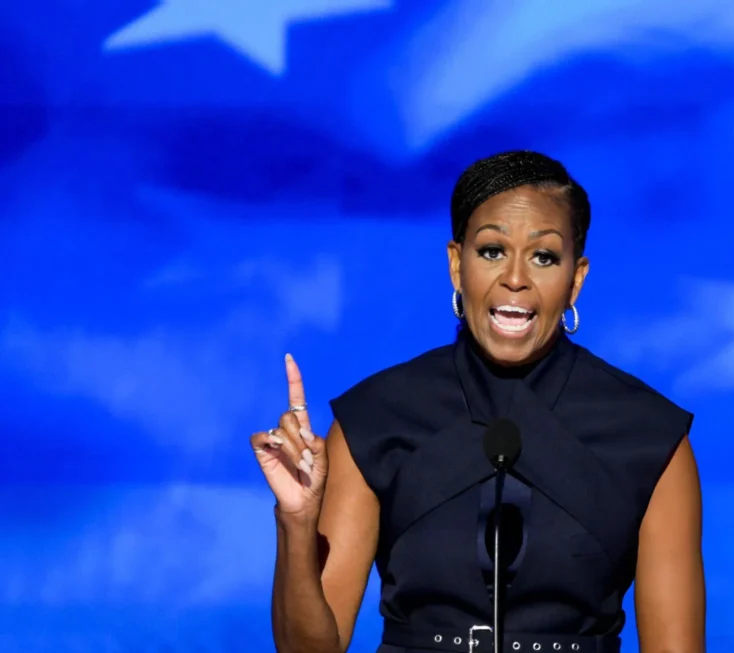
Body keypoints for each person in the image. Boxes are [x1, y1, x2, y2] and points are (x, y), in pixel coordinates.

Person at [251, 151, 705, 653]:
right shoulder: (375, 419)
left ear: (576, 279)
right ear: (455, 264)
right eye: (491, 251)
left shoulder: (649, 436)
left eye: (544, 257)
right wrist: (296, 523)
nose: (515, 278)